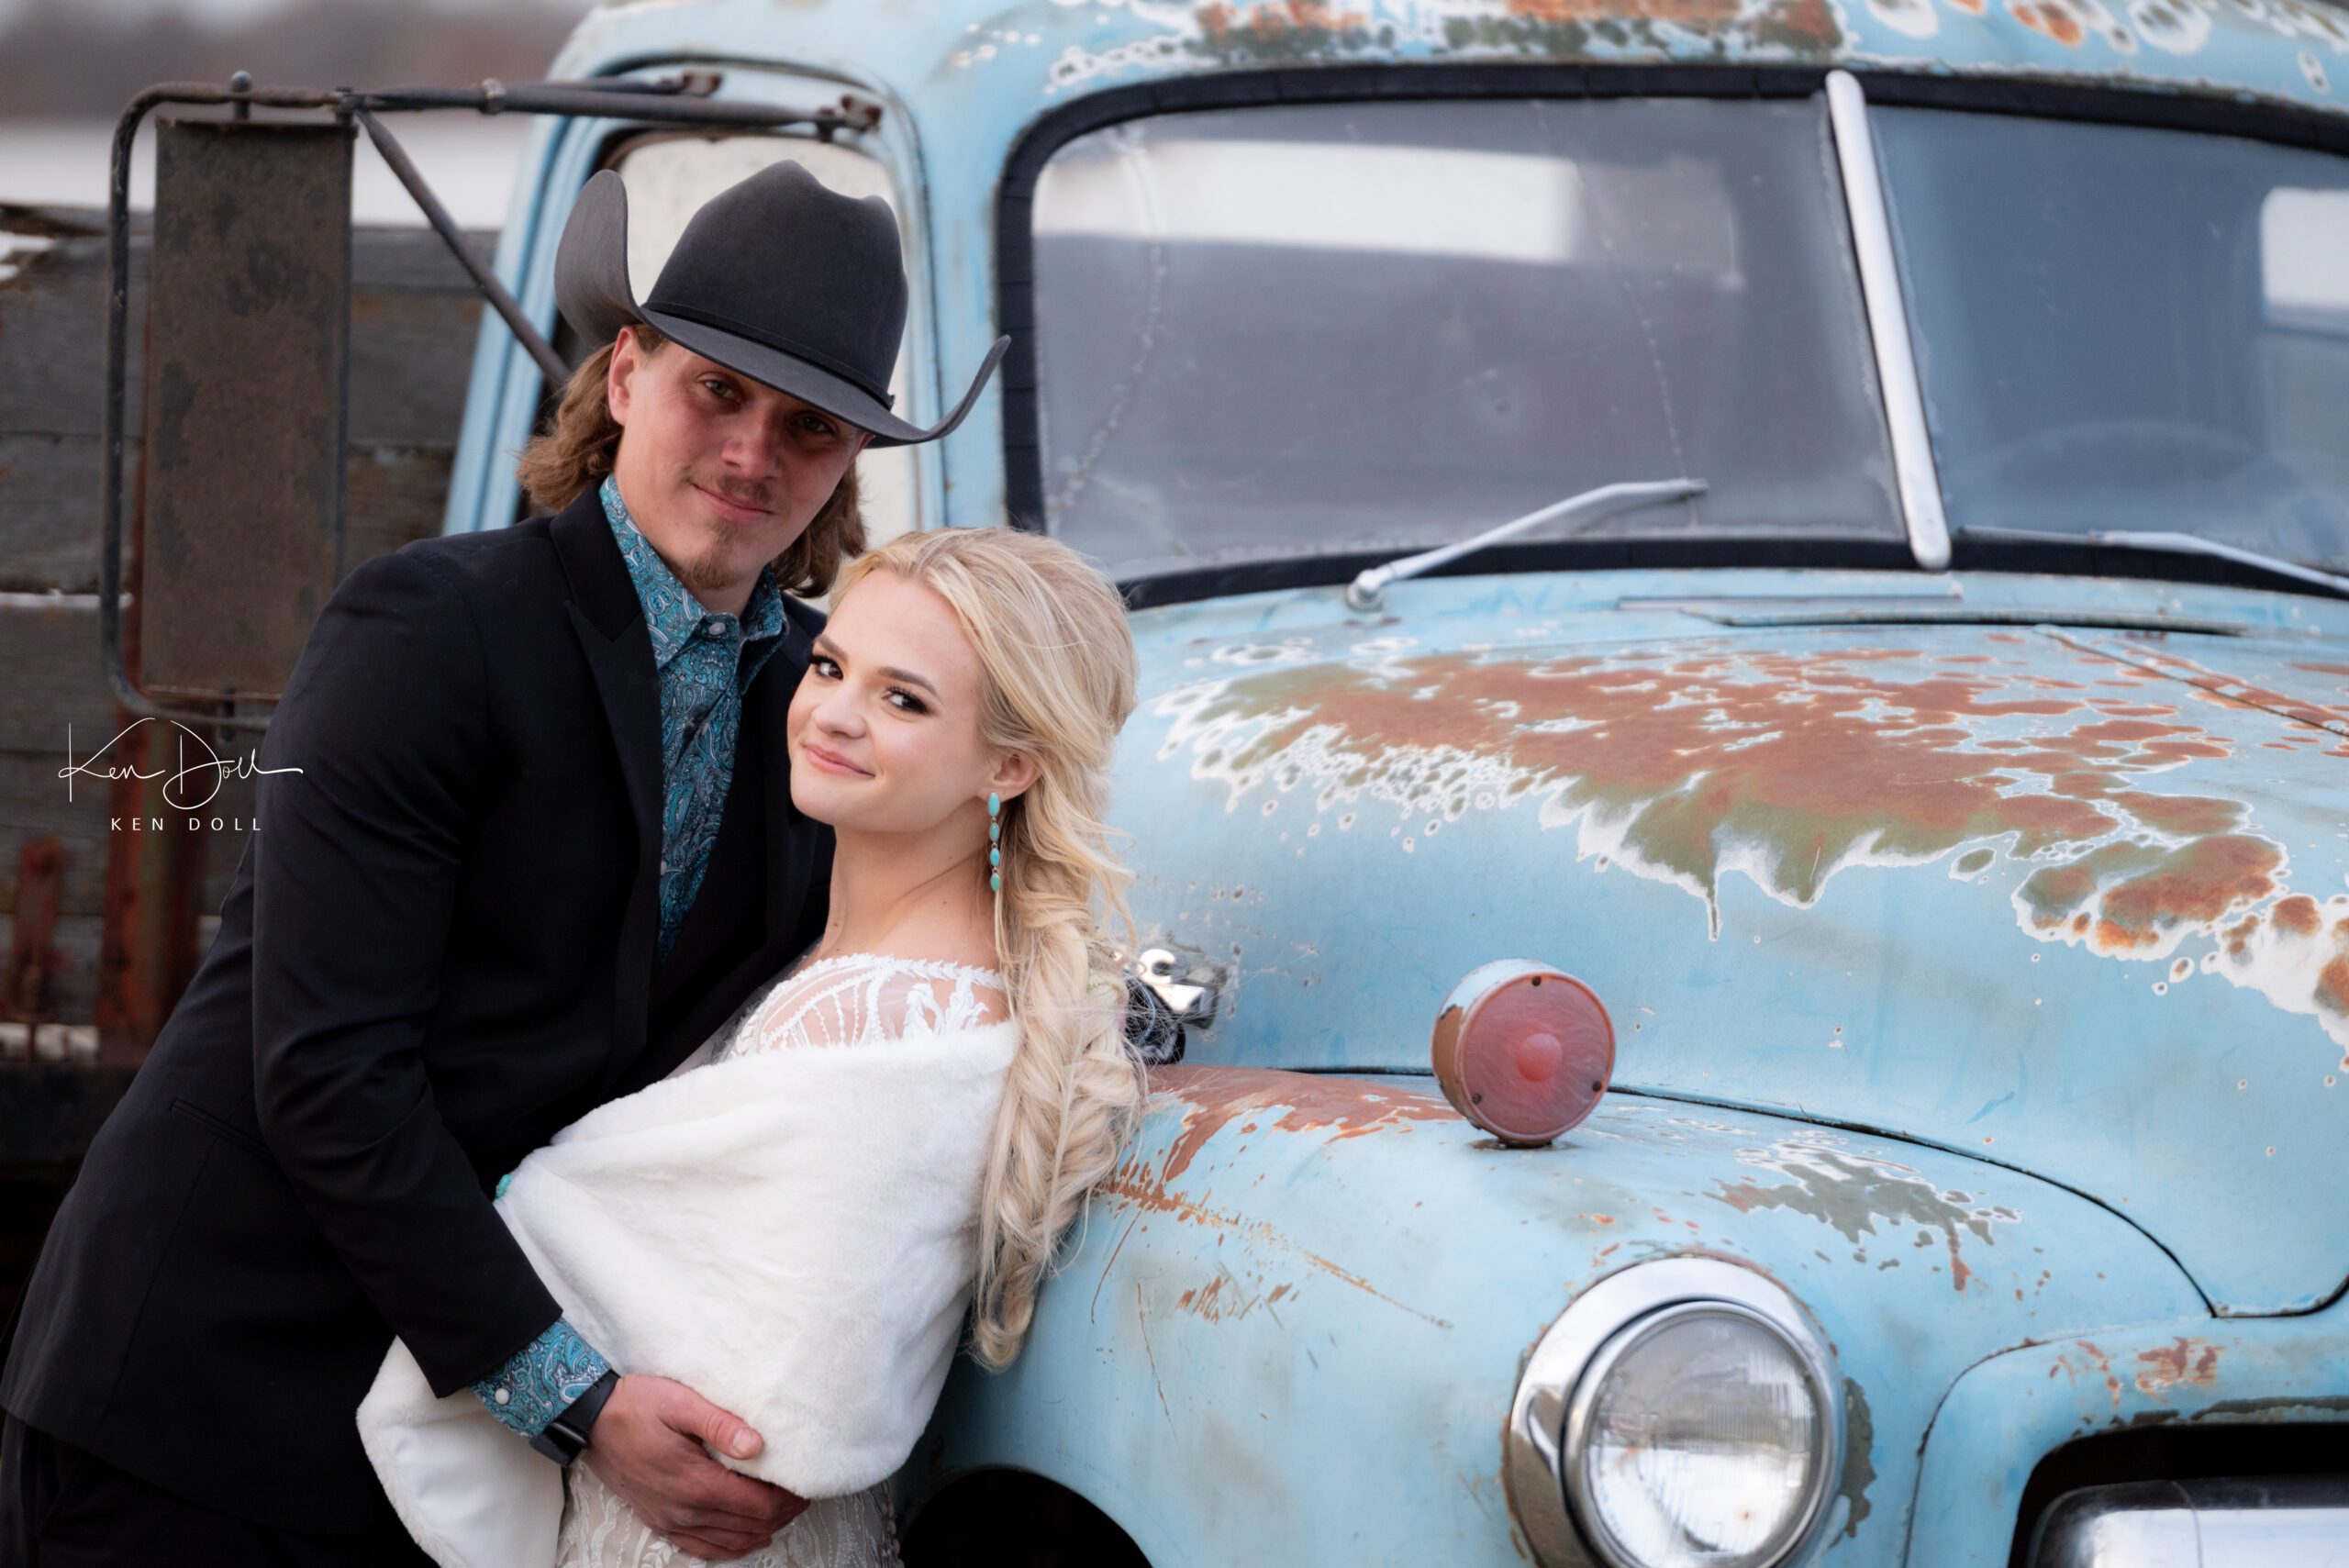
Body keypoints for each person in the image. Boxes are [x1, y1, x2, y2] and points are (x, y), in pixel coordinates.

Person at [0, 157, 1014, 1566]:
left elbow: (924, 920)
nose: (751, 453)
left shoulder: (816, 705)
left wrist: (1089, 1019)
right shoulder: (429, 631)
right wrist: (576, 1402)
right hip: (209, 1384)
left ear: (848, 461)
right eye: (717, 390)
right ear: (625, 375)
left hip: (452, 1459)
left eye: (809, 426)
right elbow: (330, 1071)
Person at [360, 522, 1152, 1568]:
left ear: (1009, 763)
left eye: (903, 699)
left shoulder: (876, 1017)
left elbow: (771, 1382)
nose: (833, 712)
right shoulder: (872, 971)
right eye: (829, 666)